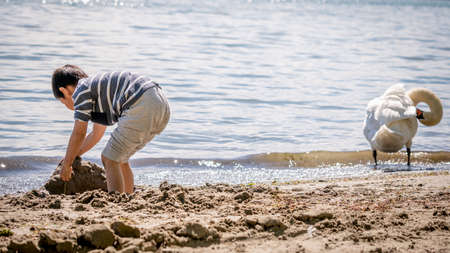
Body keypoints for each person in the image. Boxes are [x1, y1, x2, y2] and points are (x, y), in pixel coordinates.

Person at [52, 64, 170, 193]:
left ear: (64, 91)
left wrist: (67, 164)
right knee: (120, 159)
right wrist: (74, 155)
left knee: (109, 159)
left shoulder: (80, 91)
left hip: (141, 102)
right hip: (160, 104)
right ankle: (127, 196)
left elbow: (79, 132)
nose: (67, 106)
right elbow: (96, 134)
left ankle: (116, 199)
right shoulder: (96, 89)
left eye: (63, 102)